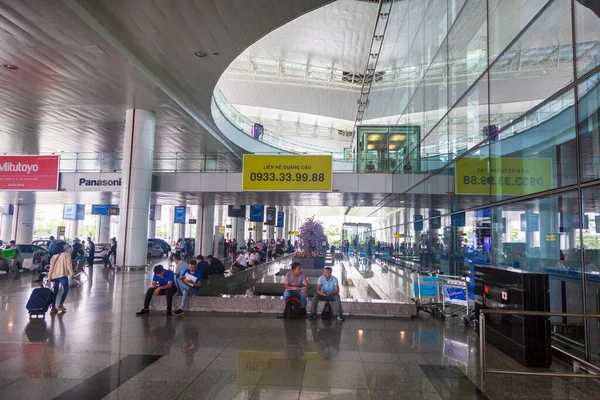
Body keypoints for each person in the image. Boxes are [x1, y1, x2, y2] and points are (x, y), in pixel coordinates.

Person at [47, 241, 74, 314]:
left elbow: (51, 268)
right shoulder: (67, 254)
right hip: (62, 275)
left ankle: (53, 307)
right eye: (64, 245)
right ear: (62, 247)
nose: (65, 245)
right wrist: (72, 274)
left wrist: (49, 277)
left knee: (55, 291)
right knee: (66, 289)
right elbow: (69, 265)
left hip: (55, 276)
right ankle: (61, 304)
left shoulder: (54, 256)